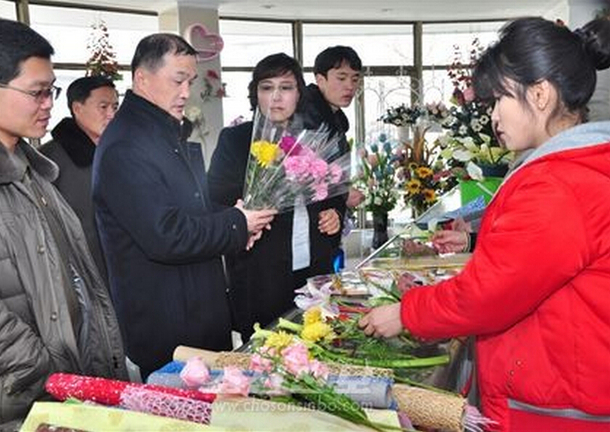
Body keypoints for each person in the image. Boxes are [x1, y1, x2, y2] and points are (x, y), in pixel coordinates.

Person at [360, 17, 610, 432]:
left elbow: (489, 295)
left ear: (541, 94)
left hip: (554, 407)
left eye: (499, 100)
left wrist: (407, 313)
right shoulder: (575, 166)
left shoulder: (559, 182)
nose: (493, 116)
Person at [0, 17, 127, 426]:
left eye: (51, 90)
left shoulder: (32, 166)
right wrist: (44, 369)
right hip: (16, 400)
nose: (49, 104)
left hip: (67, 388)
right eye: (37, 93)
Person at [92, 33, 276, 376]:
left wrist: (236, 222)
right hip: (169, 325)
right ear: (142, 78)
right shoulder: (126, 146)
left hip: (196, 311)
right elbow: (167, 235)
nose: (186, 92)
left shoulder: (161, 133)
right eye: (178, 80)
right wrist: (235, 223)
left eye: (190, 81)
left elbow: (189, 213)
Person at [207, 53, 342, 339]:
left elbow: (333, 190)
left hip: (313, 265)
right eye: (267, 87)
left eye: (286, 87)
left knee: (320, 344)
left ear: (299, 94)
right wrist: (250, 207)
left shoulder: (315, 138)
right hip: (260, 273)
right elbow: (216, 199)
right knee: (264, 357)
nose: (276, 97)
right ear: (256, 94)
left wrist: (336, 214)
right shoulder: (236, 140)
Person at [40, 76, 118, 282]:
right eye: (103, 106)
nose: (111, 114)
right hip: (80, 276)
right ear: (77, 108)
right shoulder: (49, 159)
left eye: (115, 106)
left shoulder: (118, 152)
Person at [300, 45, 364, 256]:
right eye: (341, 78)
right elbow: (303, 176)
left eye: (355, 79)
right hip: (309, 229)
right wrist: (344, 194)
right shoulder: (308, 118)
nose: (349, 86)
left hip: (327, 221)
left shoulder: (334, 118)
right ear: (320, 80)